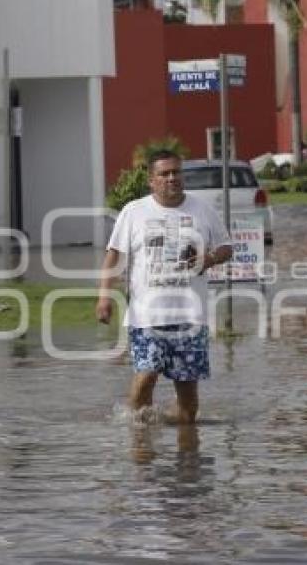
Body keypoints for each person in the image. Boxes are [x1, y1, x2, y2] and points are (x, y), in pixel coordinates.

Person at [96, 150, 233, 424]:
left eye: (176, 172)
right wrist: (104, 297)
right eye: (164, 173)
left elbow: (227, 247)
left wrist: (210, 258)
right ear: (151, 180)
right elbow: (114, 254)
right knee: (146, 376)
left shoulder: (202, 209)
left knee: (188, 405)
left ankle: (184, 456)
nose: (172, 178)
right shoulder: (134, 212)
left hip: (190, 316)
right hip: (147, 316)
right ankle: (140, 443)